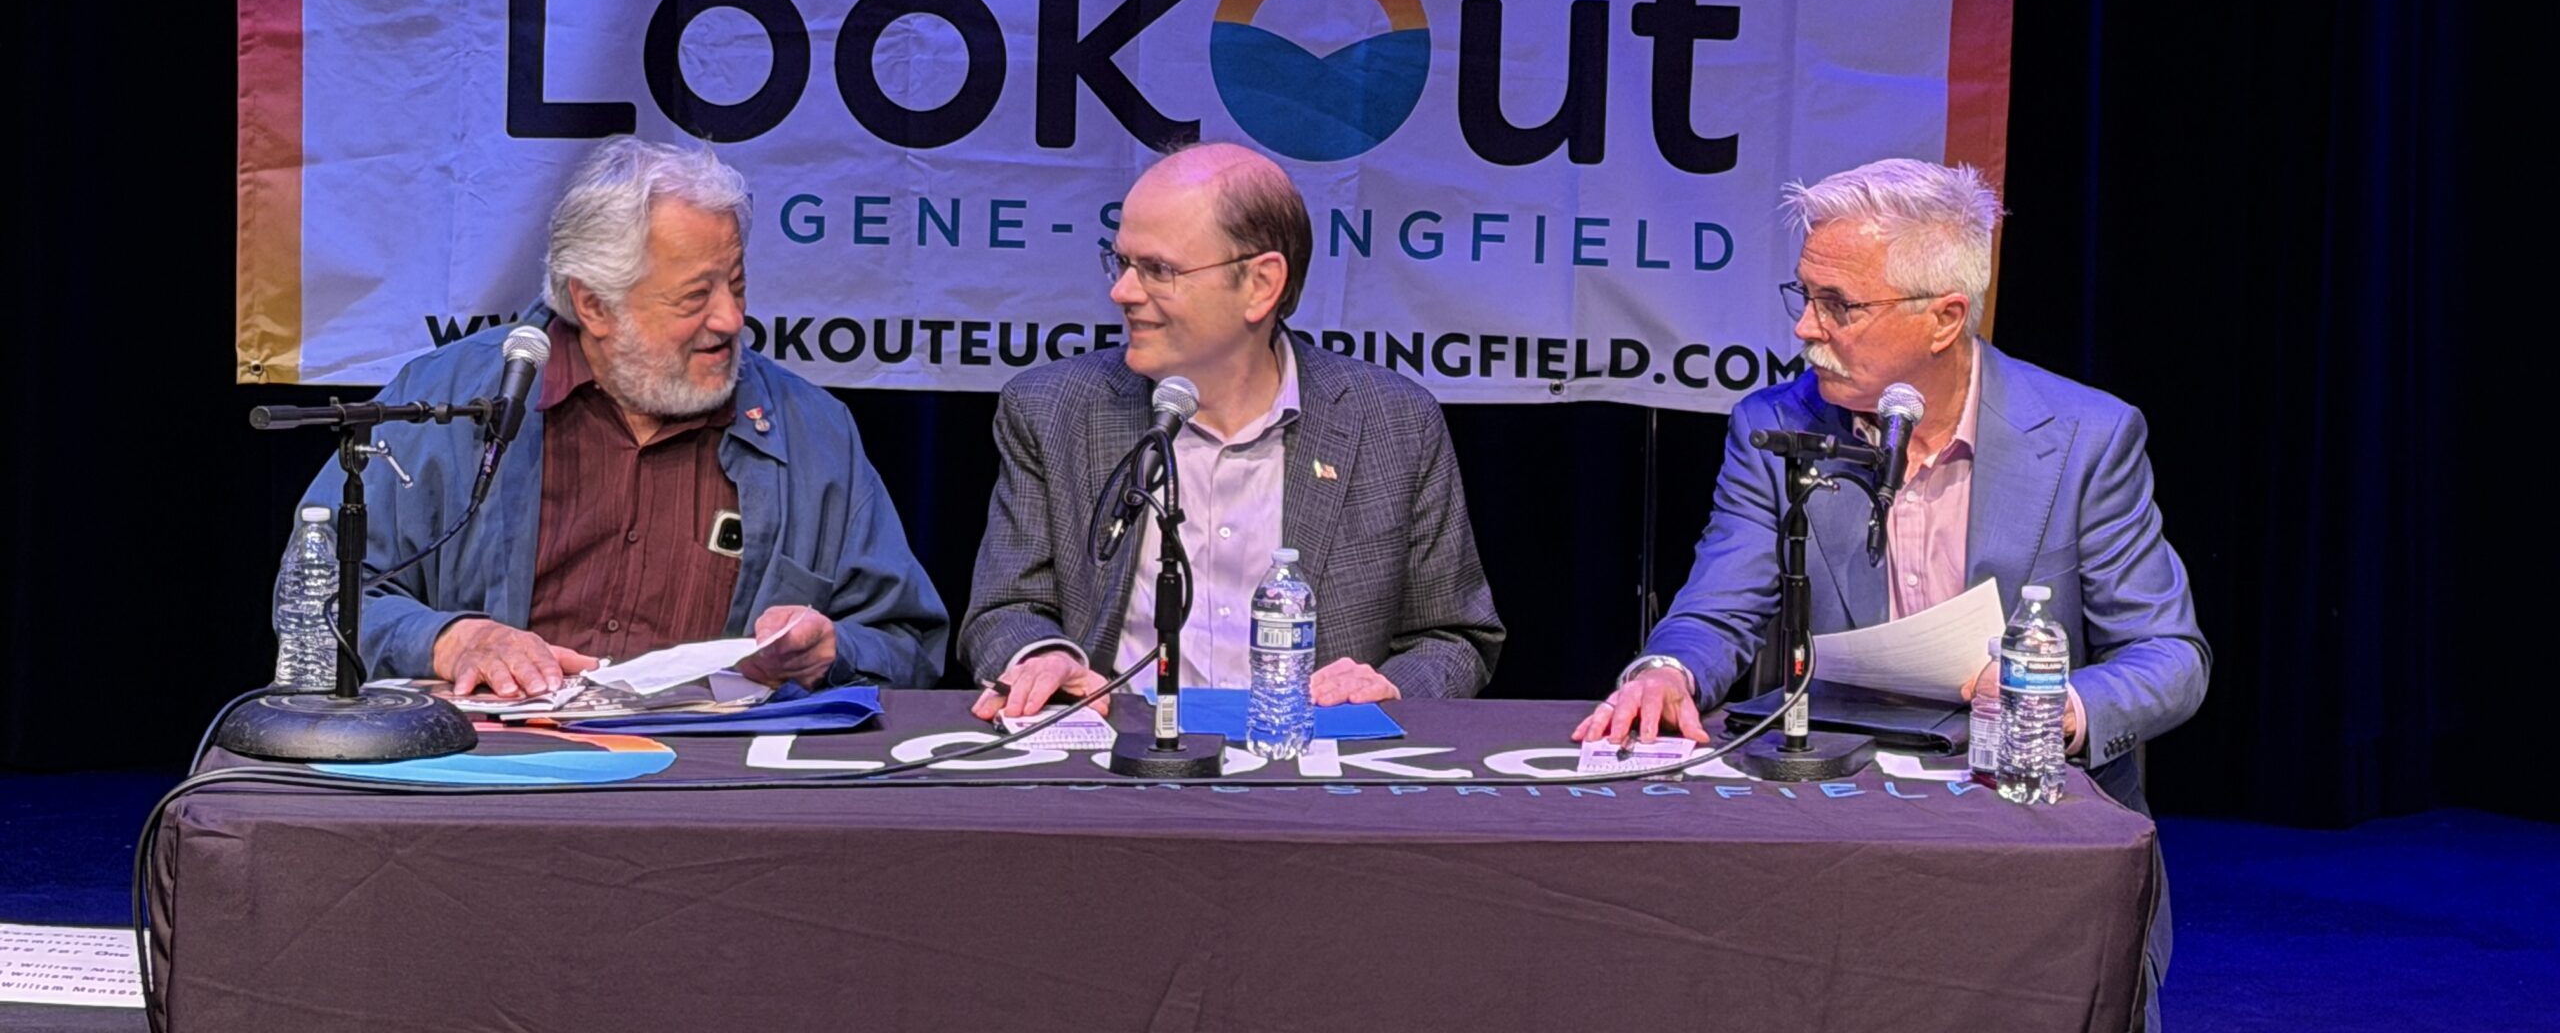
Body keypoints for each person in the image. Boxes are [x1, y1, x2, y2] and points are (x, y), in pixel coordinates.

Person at [1576, 157, 2206, 1024]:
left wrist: (2059, 705)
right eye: (1801, 295)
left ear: (1945, 317)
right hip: (1840, 811)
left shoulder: (2088, 438)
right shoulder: (1776, 424)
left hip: (2021, 812)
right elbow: (1722, 602)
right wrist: (1667, 671)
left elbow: (2170, 655)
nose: (1805, 328)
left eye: (1840, 305)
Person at [287, 137, 948, 697]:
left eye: (737, 284)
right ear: (594, 305)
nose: (731, 319)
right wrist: (451, 640)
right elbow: (317, 599)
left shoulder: (813, 431)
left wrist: (831, 652)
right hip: (485, 784)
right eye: (696, 296)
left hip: (719, 797)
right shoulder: (448, 402)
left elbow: (909, 643)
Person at [959, 142, 1502, 719]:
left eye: (1158, 270)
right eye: (1121, 262)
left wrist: (1388, 689)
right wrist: (1044, 656)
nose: (1122, 292)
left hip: (1313, 768)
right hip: (1115, 759)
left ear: (1261, 285)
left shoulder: (1392, 423)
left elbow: (1453, 636)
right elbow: (1006, 608)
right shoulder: (1053, 410)